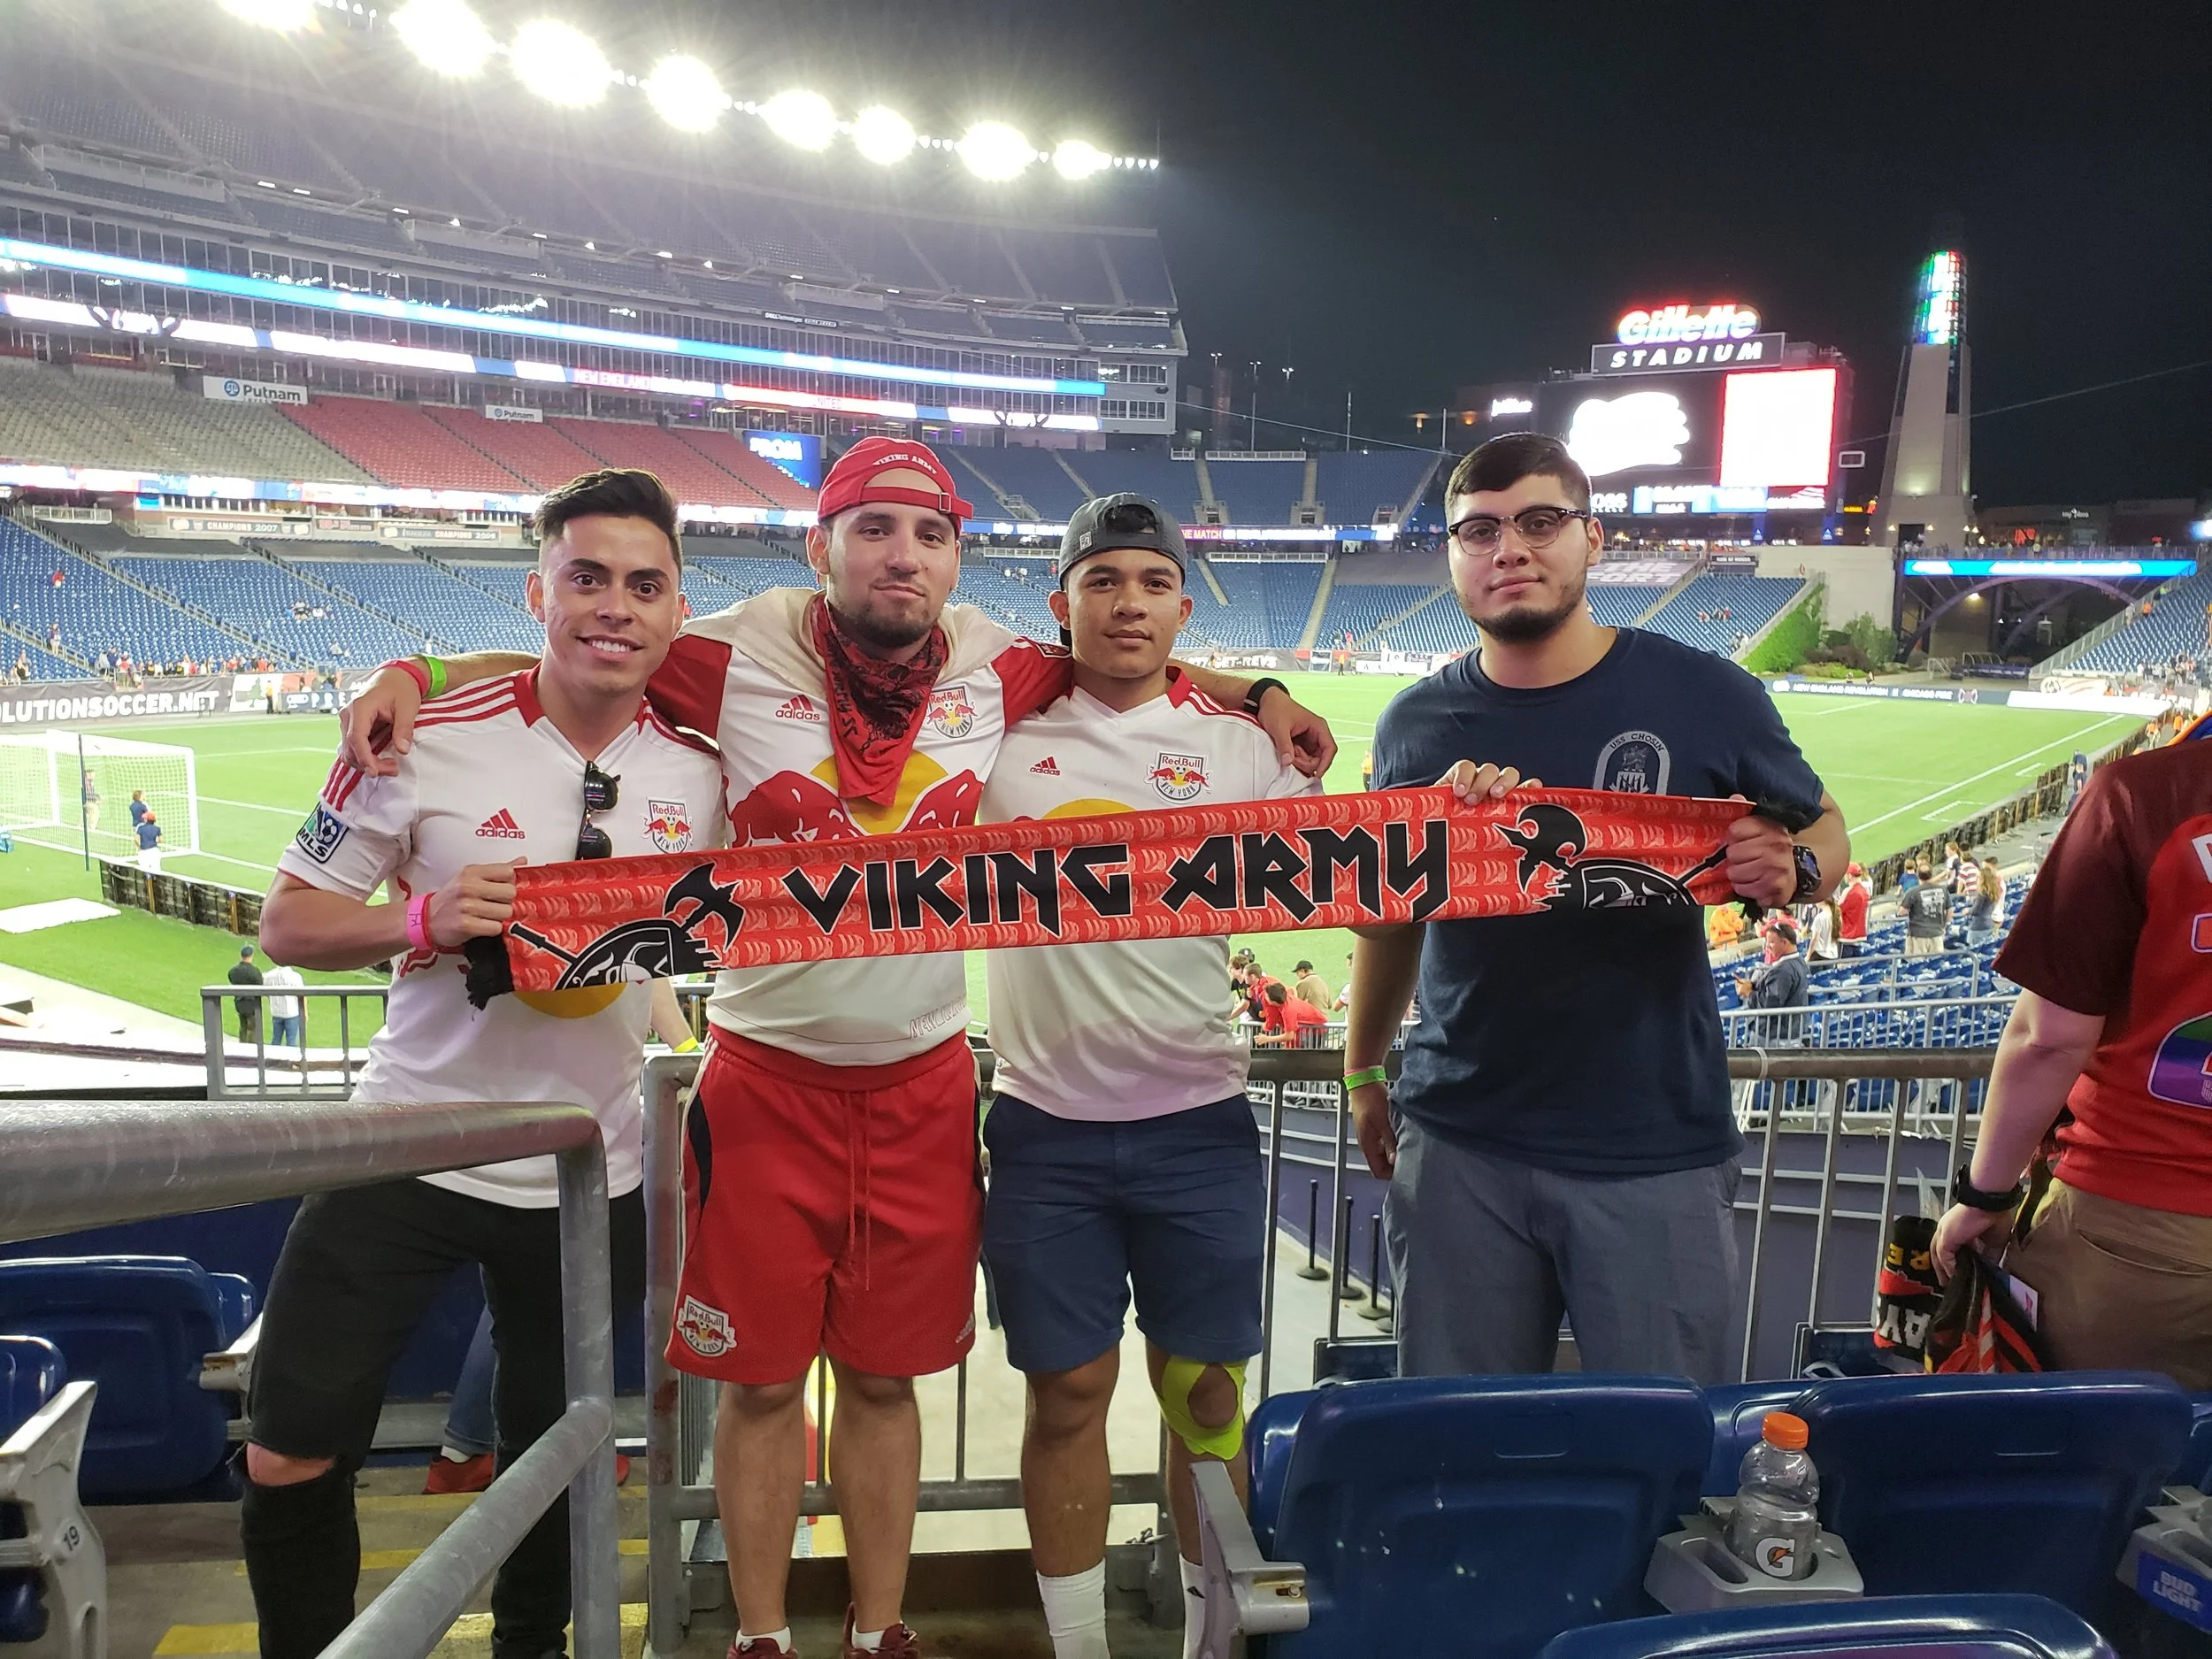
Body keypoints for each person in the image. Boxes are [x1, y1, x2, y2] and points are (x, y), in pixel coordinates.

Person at [332, 439, 1334, 1659]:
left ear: (956, 558)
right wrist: (417, 668)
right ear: (821, 546)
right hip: (764, 1075)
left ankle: (879, 1630)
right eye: (873, 528)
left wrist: (1264, 694)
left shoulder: (992, 660)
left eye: (929, 533)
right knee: (759, 1384)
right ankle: (759, 1636)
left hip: (924, 1081)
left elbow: (1133, 653)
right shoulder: (735, 649)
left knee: (883, 1379)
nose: (901, 555)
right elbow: (582, 647)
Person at [238, 467, 725, 1659]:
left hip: (588, 1169)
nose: (614, 606)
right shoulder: (421, 740)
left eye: (644, 585)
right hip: (407, 1142)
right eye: (587, 577)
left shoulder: (703, 769)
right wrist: (423, 918)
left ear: (678, 608)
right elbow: (286, 923)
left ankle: (531, 1645)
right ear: (537, 592)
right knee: (288, 1446)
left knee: (559, 1450)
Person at [1345, 433, 1847, 1383]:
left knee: (1662, 1438)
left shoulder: (1704, 692)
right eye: (1480, 530)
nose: (1510, 549)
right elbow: (1392, 917)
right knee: (1458, 1433)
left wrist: (1799, 868)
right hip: (1457, 1143)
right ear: (1453, 552)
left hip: (1653, 1144)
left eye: (1540, 522)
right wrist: (1362, 1065)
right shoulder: (1413, 724)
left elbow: (1822, 825)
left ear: (1593, 537)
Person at [976, 494, 1318, 1659]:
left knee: (1207, 1399)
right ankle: (1078, 1645)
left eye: (1154, 582)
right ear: (1060, 602)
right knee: (1065, 1393)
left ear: (1183, 605)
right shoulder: (995, 738)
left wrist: (1263, 699)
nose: (1129, 603)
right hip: (1044, 1128)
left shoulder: (1242, 747)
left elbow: (1353, 870)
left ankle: (1206, 1640)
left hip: (1198, 1124)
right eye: (1104, 580)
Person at [1932, 740, 2212, 1389]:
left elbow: (2048, 1039)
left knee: (2104, 1448)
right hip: (2142, 1227)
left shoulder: (2142, 796)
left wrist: (1984, 1195)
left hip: (2136, 1229)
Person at [1734, 918, 1809, 1046]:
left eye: (1771, 943)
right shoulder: (1799, 962)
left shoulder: (1784, 970)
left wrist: (1749, 993)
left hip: (1773, 1036)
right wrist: (1753, 986)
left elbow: (1769, 1003)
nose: (1767, 947)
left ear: (1785, 942)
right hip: (1786, 1032)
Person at [1256, 980, 1328, 1048]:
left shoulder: (1288, 1011)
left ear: (1273, 1001)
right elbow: (1292, 990)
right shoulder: (1284, 998)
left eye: (1266, 996)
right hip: (1309, 1029)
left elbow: (1289, 1036)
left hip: (1315, 1032)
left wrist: (1267, 1039)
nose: (1264, 997)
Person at [1903, 867, 1951, 957]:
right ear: (1931, 874)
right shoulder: (1943, 890)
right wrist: (1944, 925)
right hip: (1937, 933)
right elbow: (1950, 911)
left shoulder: (1912, 892)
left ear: (1917, 875)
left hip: (1918, 935)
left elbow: (1902, 911)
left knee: (1917, 962)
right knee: (1935, 962)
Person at [264, 960, 305, 1051]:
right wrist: (304, 1012)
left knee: (276, 1040)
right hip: (292, 1013)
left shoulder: (268, 976)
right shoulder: (295, 976)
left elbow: (265, 992)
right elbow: (302, 995)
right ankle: (289, 1059)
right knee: (291, 1041)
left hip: (276, 1012)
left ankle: (273, 1058)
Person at [228, 945, 265, 1043]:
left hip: (239, 1003)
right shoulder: (254, 971)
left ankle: (242, 1045)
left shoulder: (233, 971)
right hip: (252, 1004)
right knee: (253, 1029)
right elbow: (260, 985)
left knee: (243, 1026)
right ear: (251, 956)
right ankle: (252, 1048)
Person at [1965, 856, 2005, 947]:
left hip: (1979, 926)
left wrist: (1967, 911)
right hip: (1989, 923)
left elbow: (1975, 911)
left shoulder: (1982, 894)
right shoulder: (1994, 890)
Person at [1837, 863, 1870, 958]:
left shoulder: (1850, 892)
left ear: (1850, 876)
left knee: (1843, 966)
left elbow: (1838, 910)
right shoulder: (1865, 891)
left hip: (1847, 937)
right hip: (1859, 936)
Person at [134, 808, 163, 872]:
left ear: (147, 820)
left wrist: (139, 846)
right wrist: (155, 842)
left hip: (144, 851)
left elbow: (136, 839)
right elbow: (161, 840)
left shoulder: (141, 828)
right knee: (156, 871)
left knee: (144, 871)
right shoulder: (157, 829)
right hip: (155, 851)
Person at [81, 771, 100, 837]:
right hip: (87, 802)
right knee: (96, 811)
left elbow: (92, 793)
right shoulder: (86, 783)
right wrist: (95, 799)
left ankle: (81, 824)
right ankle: (92, 826)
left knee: (88, 813)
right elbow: (88, 794)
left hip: (88, 801)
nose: (93, 776)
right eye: (92, 775)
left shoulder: (89, 782)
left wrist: (97, 797)